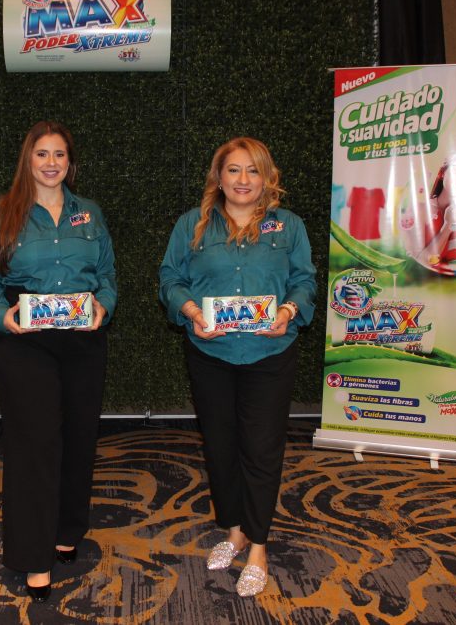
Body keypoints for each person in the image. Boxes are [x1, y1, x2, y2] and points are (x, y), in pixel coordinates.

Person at [158, 137, 316, 597]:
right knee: (221, 446)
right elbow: (170, 279)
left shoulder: (289, 226)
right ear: (219, 176)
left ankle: (258, 546)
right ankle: (234, 531)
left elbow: (305, 280)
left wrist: (287, 310)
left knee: (261, 449)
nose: (243, 180)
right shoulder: (192, 225)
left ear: (267, 178)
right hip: (211, 354)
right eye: (233, 170)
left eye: (253, 170)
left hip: (270, 354)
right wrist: (191, 311)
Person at [0, 121, 117, 603]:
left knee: (78, 435)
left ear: (70, 162)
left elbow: (107, 274)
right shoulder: (3, 211)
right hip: (24, 341)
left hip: (82, 340)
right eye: (42, 154)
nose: (51, 163)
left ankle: (67, 529)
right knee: (35, 443)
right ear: (28, 160)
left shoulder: (90, 212)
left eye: (59, 154)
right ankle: (34, 555)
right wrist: (1, 315)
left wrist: (104, 305)